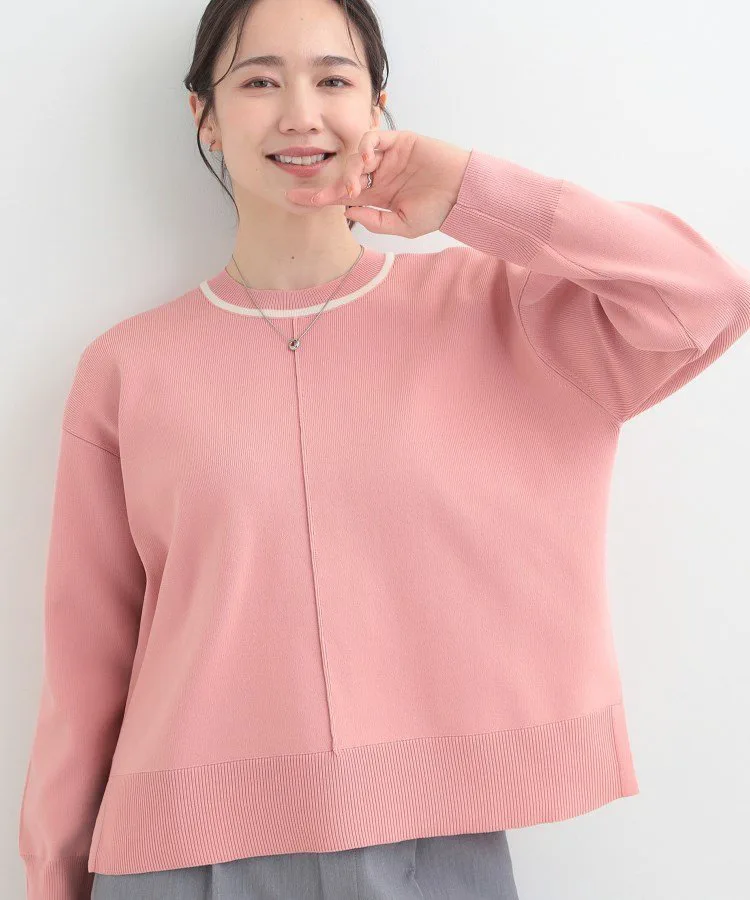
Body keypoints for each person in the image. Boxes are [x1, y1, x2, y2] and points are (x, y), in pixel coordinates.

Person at [17, 0, 750, 898]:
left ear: (376, 108)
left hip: (428, 842)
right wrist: (52, 875)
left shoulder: (500, 313)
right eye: (259, 81)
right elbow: (85, 667)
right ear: (204, 115)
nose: (300, 113)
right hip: (177, 857)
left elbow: (707, 296)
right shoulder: (128, 371)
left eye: (333, 79)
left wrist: (472, 191)